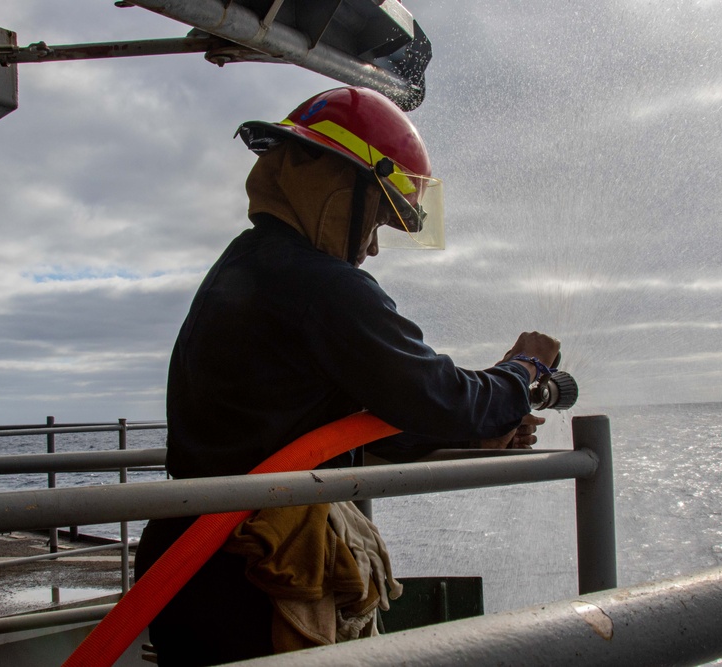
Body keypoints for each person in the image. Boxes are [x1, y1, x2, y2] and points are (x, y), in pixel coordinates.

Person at [135, 86, 562, 665]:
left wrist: (471, 436)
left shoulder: (250, 263)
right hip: (250, 576)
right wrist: (522, 373)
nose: (373, 248)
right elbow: (440, 395)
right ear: (341, 187)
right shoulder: (320, 285)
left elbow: (327, 422)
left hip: (195, 565)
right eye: (378, 219)